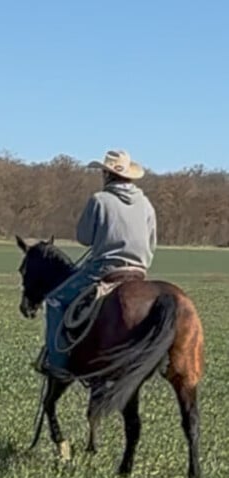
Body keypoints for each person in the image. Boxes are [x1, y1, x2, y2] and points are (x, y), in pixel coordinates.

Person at [36, 149, 157, 378]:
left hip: (104, 270)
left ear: (107, 174)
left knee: (54, 300)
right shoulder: (147, 205)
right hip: (139, 271)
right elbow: (151, 243)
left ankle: (57, 363)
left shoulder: (100, 200)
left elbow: (84, 238)